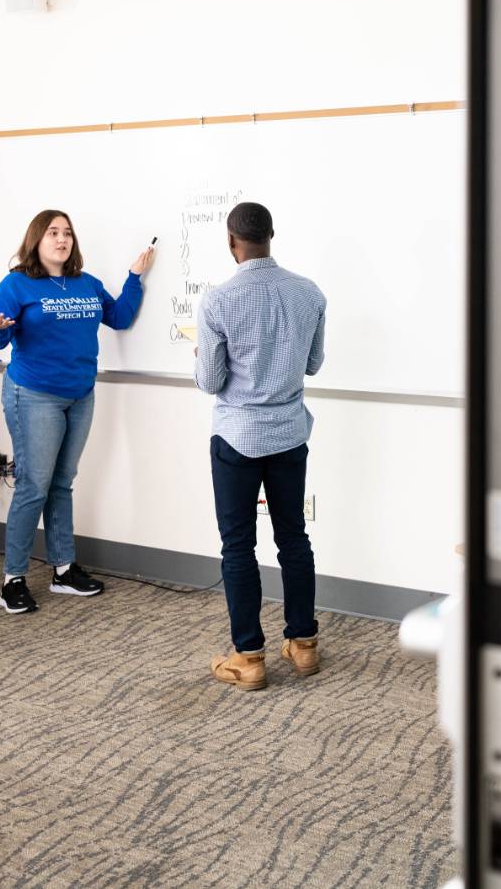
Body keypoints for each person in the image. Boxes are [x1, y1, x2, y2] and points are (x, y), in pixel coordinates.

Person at [0, 209, 152, 614]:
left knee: (61, 483)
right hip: (33, 395)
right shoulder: (16, 284)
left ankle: (63, 570)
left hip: (80, 395)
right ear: (36, 240)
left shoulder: (86, 283)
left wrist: (134, 277)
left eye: (67, 233)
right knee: (33, 486)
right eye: (53, 233)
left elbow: (119, 317)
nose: (62, 239)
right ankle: (12, 580)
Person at [194, 201, 327, 691]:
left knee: (238, 545)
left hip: (237, 438)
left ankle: (249, 657)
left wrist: (201, 357)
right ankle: (304, 644)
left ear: (232, 242)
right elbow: (312, 365)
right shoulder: (309, 293)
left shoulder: (218, 301)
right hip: (289, 435)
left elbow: (211, 381)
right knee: (293, 537)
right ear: (272, 236)